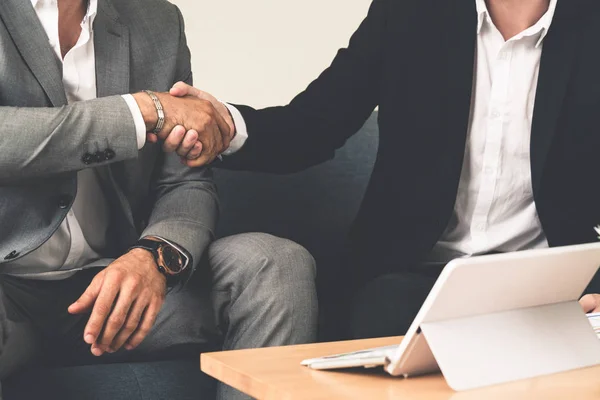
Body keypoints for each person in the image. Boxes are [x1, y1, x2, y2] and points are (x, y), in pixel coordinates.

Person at [161, 0, 600, 339]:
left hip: (556, 286)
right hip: (412, 280)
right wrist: (223, 125)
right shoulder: (411, 11)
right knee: (382, 315)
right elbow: (312, 126)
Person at [0, 0, 318, 399]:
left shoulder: (157, 21)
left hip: (116, 287)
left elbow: (185, 182)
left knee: (274, 263)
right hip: (8, 288)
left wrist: (155, 256)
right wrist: (143, 110)